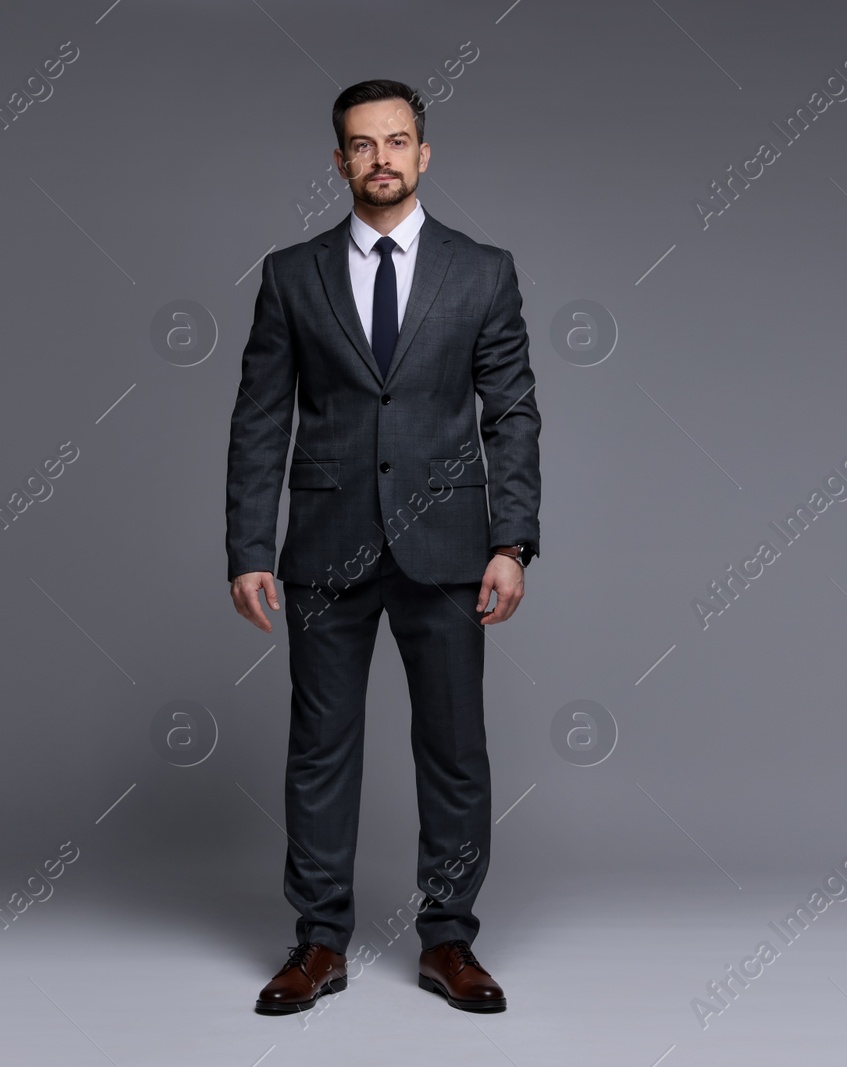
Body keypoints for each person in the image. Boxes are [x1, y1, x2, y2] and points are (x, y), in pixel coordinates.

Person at [226, 78, 540, 1016]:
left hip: (450, 548)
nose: (382, 159)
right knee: (320, 749)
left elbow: (514, 413)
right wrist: (249, 544)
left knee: (454, 749)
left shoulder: (482, 271)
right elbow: (258, 419)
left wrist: (513, 541)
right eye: (362, 146)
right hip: (325, 547)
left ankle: (449, 942)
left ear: (424, 153)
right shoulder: (291, 274)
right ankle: (318, 942)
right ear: (338, 161)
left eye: (397, 141)